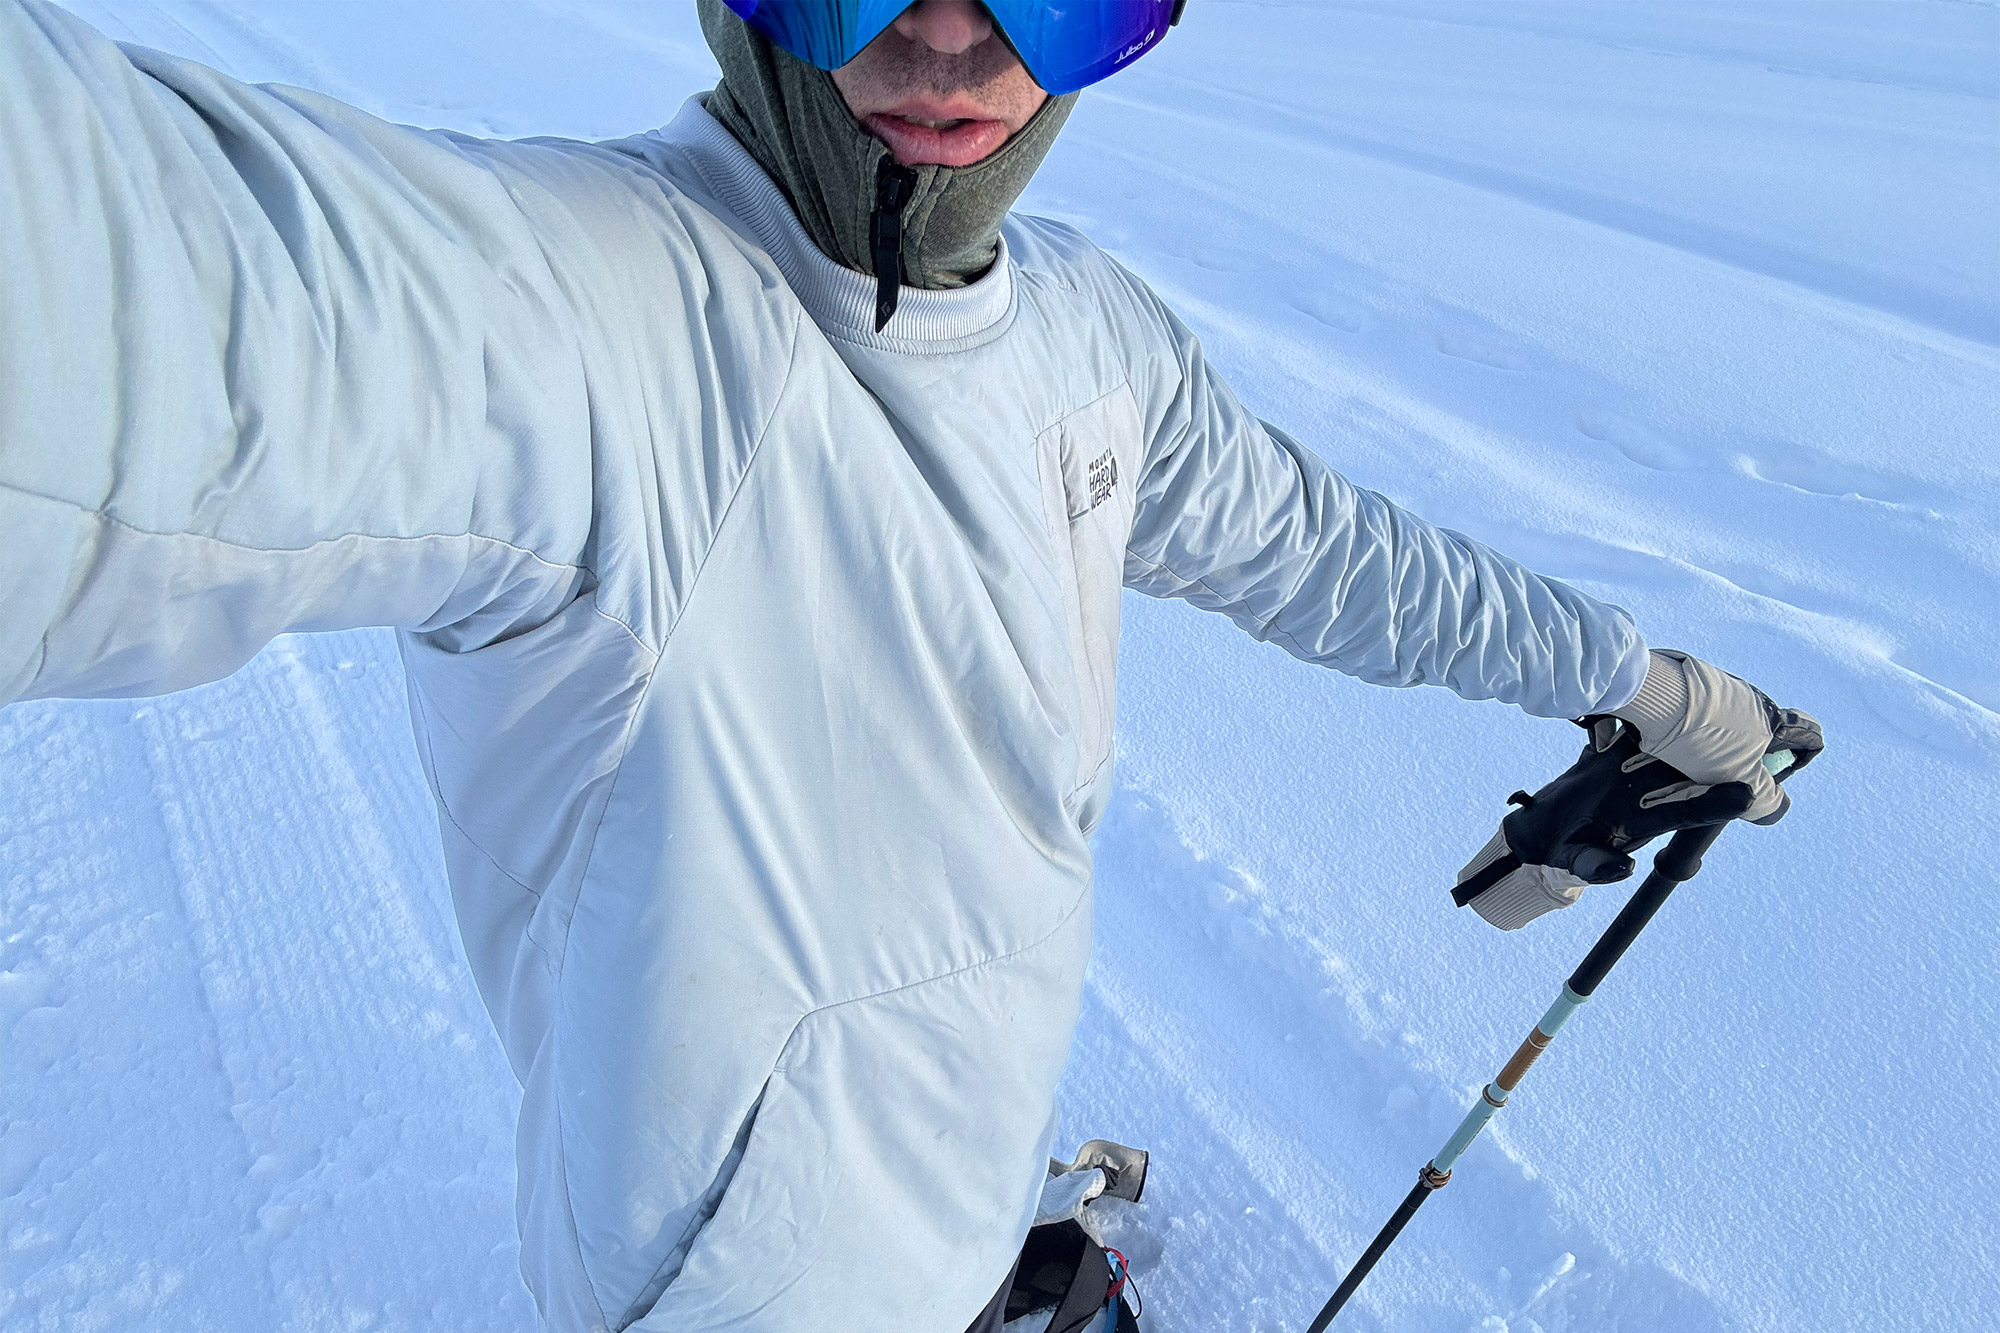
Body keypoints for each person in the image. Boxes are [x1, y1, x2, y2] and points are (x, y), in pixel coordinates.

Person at [0, 2, 1819, 1329]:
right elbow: (159, 289)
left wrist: (1632, 679)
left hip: (967, 1142)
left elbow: (1332, 554)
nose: (955, 40)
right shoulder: (588, 311)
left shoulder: (1092, 335)